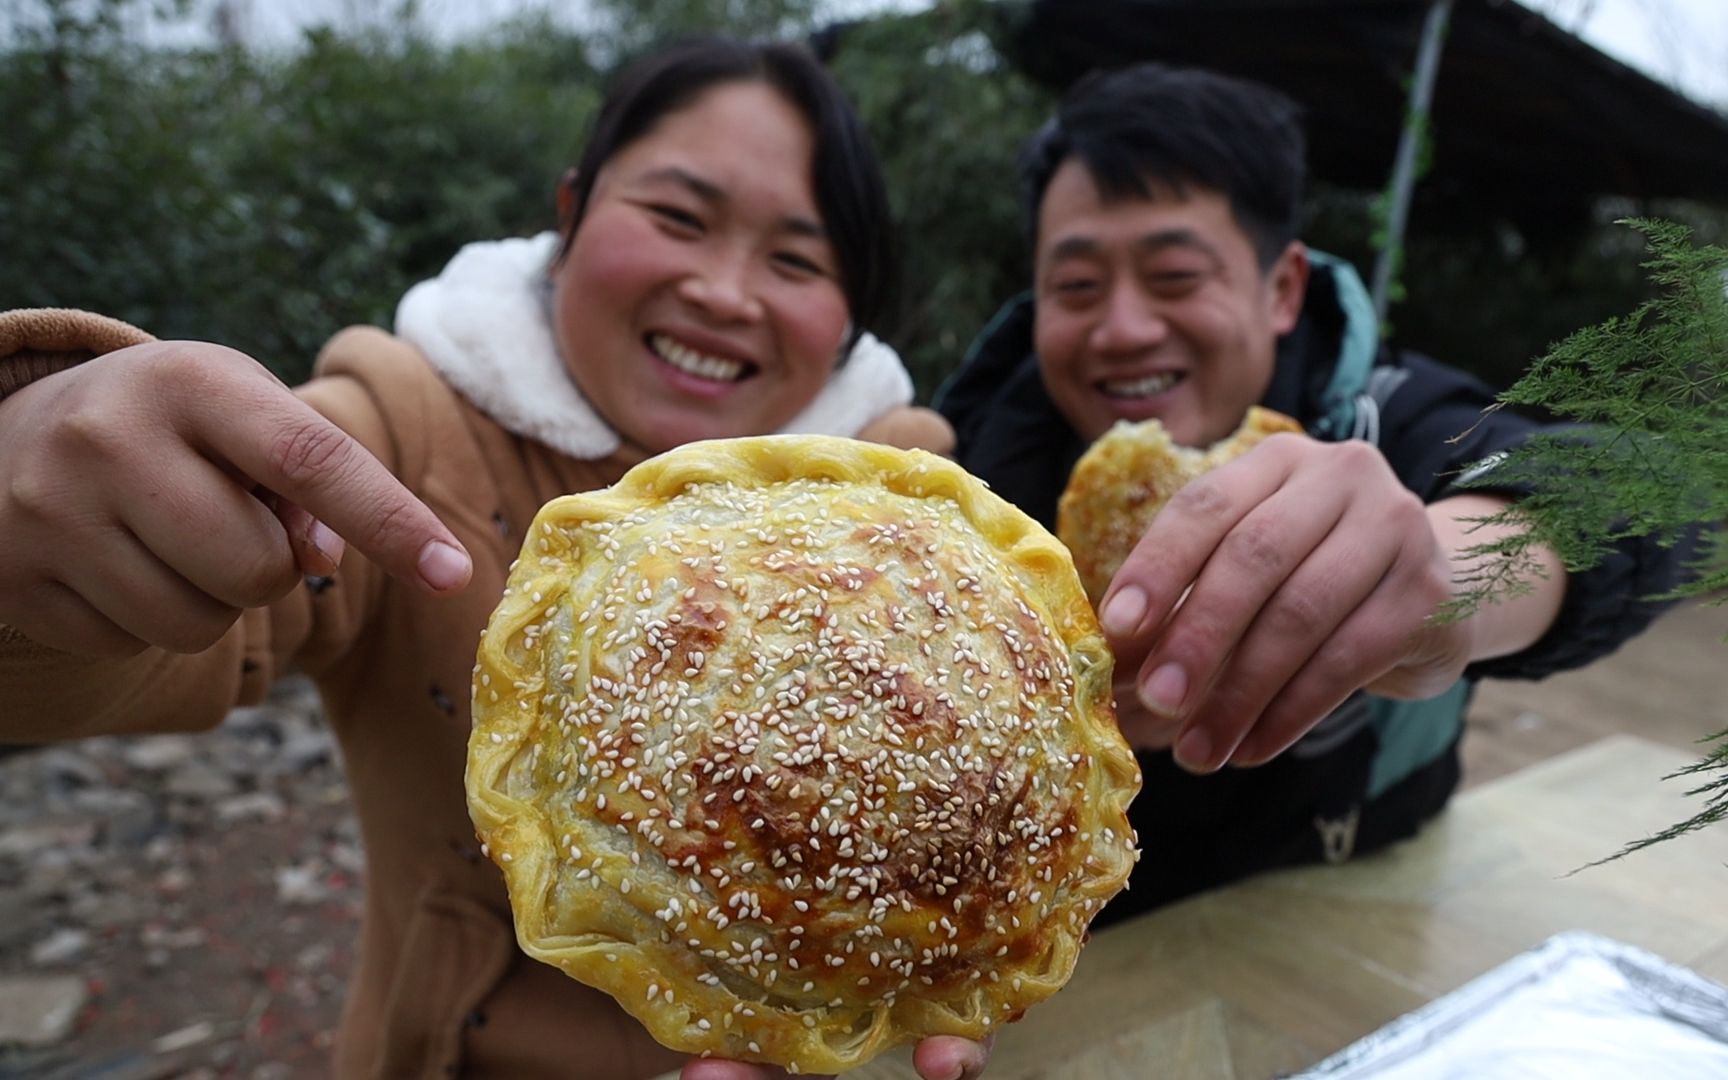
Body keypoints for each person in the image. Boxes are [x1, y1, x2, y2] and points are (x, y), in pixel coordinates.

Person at [0, 37, 989, 1080]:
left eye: (795, 260)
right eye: (676, 218)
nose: (725, 292)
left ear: (850, 319)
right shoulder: (396, 444)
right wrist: (35, 523)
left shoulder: (925, 536)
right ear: (568, 215)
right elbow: (149, 648)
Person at [936, 62, 1688, 916]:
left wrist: (1446, 572)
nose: (1125, 329)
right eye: (1076, 287)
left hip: (1350, 907)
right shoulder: (966, 494)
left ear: (1282, 288)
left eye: (1176, 277)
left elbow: (1652, 490)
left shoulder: (1392, 420)